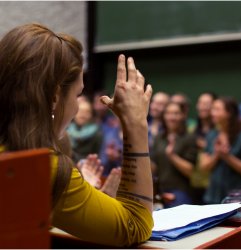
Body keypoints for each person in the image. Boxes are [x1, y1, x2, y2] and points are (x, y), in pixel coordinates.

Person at [0, 23, 153, 246]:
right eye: (77, 95)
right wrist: (135, 123)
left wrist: (85, 195)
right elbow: (136, 224)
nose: (76, 107)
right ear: (54, 96)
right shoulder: (43, 169)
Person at [200, 97, 241, 204]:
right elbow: (204, 166)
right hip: (213, 196)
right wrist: (217, 155)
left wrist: (227, 157)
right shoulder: (212, 135)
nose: (212, 113)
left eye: (217, 110)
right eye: (212, 109)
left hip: (237, 199)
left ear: (229, 113)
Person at [151, 101, 198, 208]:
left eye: (176, 113)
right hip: (161, 191)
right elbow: (154, 167)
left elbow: (190, 171)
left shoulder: (189, 137)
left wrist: (172, 156)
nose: (172, 117)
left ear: (182, 115)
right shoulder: (159, 137)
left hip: (181, 192)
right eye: (168, 113)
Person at [191, 92, 217, 204]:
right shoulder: (191, 129)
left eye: (207, 103)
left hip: (214, 185)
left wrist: (206, 145)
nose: (203, 106)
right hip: (195, 184)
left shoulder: (220, 129)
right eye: (201, 103)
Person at [67, 96, 102, 163]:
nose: (83, 114)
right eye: (80, 111)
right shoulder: (66, 131)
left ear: (91, 115)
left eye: (87, 112)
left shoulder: (97, 134)